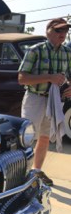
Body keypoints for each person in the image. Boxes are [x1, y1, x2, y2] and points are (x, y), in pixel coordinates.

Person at [18, 18, 71, 186]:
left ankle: (36, 172)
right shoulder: (35, 50)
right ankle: (21, 174)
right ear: (48, 31)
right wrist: (49, 77)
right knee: (27, 138)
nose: (62, 34)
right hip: (35, 98)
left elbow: (68, 76)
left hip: (54, 101)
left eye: (65, 31)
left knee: (45, 138)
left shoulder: (67, 53)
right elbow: (22, 78)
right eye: (58, 31)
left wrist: (69, 86)